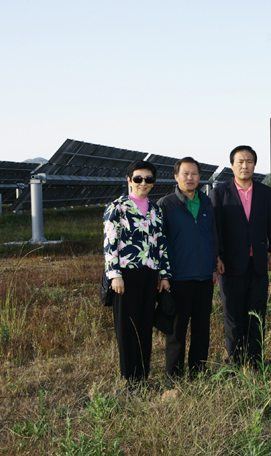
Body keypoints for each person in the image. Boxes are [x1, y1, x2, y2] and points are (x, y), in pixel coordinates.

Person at [210, 145, 271, 366]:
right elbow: (215, 229)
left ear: (254, 165)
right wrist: (217, 257)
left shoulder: (265, 192)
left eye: (249, 161)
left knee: (256, 312)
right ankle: (235, 361)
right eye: (240, 161)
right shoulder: (220, 193)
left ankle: (255, 361)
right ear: (232, 165)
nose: (244, 165)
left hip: (258, 263)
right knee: (233, 315)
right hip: (230, 265)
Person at [103, 160, 170, 382]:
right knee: (127, 328)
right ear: (129, 180)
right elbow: (110, 243)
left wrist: (164, 275)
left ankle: (143, 376)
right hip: (126, 274)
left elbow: (161, 243)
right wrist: (115, 275)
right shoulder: (117, 207)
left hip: (149, 274)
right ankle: (129, 379)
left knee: (144, 326)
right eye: (138, 178)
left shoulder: (155, 209)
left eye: (149, 179)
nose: (144, 183)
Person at [158, 157, 219, 378]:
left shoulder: (206, 202)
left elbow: (212, 236)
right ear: (176, 177)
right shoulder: (166, 204)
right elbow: (160, 242)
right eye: (185, 173)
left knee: (202, 327)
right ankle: (173, 375)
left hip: (204, 277)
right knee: (177, 329)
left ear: (199, 177)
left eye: (194, 173)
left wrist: (213, 266)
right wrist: (163, 274)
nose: (190, 178)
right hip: (179, 277)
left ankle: (198, 370)